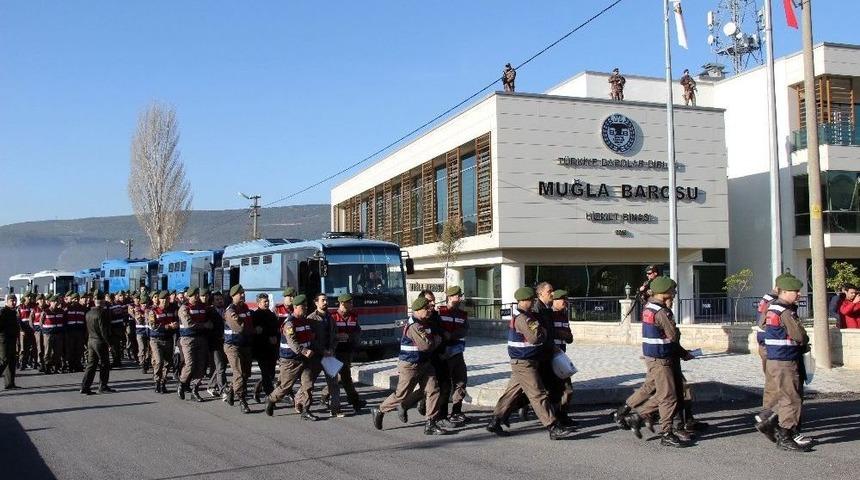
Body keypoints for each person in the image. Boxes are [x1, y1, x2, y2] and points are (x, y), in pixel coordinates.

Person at [613, 276, 690, 447]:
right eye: (672, 290)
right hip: (662, 359)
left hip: (654, 357)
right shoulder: (662, 312)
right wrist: (683, 351)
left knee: (653, 388)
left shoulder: (649, 307)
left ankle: (632, 415)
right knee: (668, 397)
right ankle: (666, 433)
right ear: (664, 292)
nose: (675, 293)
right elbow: (673, 336)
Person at [486, 286, 572, 440]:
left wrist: (541, 331)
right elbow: (535, 337)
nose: (532, 302)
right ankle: (552, 426)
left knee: (512, 393)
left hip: (525, 360)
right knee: (537, 394)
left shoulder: (525, 315)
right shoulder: (524, 318)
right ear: (522, 301)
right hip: (524, 362)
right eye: (530, 300)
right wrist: (544, 332)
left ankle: (495, 421)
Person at [371, 295, 447, 435]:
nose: (430, 310)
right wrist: (437, 340)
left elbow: (431, 340)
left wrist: (435, 339)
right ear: (418, 310)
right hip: (410, 365)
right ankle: (380, 410)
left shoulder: (425, 322)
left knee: (433, 390)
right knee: (401, 395)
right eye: (427, 308)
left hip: (425, 363)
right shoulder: (415, 325)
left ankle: (430, 423)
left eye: (430, 308)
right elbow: (426, 345)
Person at [760, 273, 812, 452]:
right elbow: (798, 335)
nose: (798, 294)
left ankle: (769, 421)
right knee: (791, 398)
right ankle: (785, 435)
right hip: (786, 359)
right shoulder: (785, 311)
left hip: (776, 358)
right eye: (795, 291)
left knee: (783, 396)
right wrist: (805, 340)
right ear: (782, 291)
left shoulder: (772, 307)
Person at [264, 294, 319, 420]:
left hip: (305, 360)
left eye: (306, 306)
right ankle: (271, 399)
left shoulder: (305, 321)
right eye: (302, 306)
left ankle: (306, 410)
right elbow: (292, 342)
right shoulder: (289, 323)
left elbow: (309, 337)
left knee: (308, 385)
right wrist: (304, 351)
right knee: (285, 386)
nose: (305, 308)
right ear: (295, 307)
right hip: (290, 360)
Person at [321, 293, 366, 412]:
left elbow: (357, 332)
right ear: (342, 303)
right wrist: (337, 336)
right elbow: (327, 334)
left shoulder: (353, 316)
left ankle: (325, 394)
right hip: (335, 351)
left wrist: (350, 337)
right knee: (344, 377)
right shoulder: (333, 317)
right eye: (349, 303)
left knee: (340, 377)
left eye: (351, 302)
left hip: (348, 351)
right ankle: (355, 401)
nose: (351, 305)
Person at [436, 286, 470, 424]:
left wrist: (452, 335)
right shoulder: (440, 312)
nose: (460, 299)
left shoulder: (462, 314)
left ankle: (456, 411)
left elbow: (465, 330)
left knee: (461, 381)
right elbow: (436, 329)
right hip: (444, 353)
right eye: (457, 296)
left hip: (458, 352)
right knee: (445, 386)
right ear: (450, 297)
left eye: (460, 296)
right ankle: (441, 415)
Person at [305, 293, 342, 417]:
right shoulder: (311, 318)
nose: (325, 302)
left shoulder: (330, 318)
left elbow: (335, 336)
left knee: (334, 383)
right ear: (316, 303)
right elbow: (311, 340)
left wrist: (332, 349)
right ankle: (300, 404)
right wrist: (322, 351)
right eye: (323, 300)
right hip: (316, 357)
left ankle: (335, 409)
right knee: (309, 383)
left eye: (326, 300)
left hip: (329, 356)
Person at [223, 284, 254, 413]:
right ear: (233, 296)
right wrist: (250, 328)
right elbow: (239, 327)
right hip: (232, 345)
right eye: (240, 294)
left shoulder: (245, 308)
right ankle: (242, 400)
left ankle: (231, 389)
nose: (242, 295)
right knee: (239, 373)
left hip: (245, 344)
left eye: (243, 293)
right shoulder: (230, 311)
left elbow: (249, 322)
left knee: (246, 373)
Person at [176, 287, 212, 401]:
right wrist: (204, 325)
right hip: (188, 339)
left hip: (201, 338)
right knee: (190, 364)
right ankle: (182, 383)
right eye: (194, 295)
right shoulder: (184, 308)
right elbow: (189, 324)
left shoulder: (203, 307)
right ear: (188, 297)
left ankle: (195, 390)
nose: (196, 297)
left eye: (197, 295)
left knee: (201, 366)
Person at [80, 291, 113, 394]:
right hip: (100, 341)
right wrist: (109, 343)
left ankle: (85, 386)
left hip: (91, 340)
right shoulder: (102, 313)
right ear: (103, 300)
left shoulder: (89, 312)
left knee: (91, 364)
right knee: (104, 363)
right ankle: (103, 386)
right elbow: (103, 330)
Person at [147, 291, 179, 394]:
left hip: (168, 339)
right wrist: (168, 326)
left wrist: (175, 324)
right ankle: (157, 381)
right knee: (159, 361)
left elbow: (176, 321)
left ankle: (163, 382)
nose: (165, 301)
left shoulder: (172, 310)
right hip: (156, 340)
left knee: (168, 363)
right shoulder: (153, 311)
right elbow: (153, 326)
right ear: (159, 300)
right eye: (163, 299)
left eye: (167, 299)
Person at [251, 293, 279, 404]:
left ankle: (257, 388)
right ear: (258, 303)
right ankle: (270, 396)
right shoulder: (256, 315)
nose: (267, 303)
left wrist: (275, 339)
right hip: (261, 348)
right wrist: (268, 337)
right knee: (266, 373)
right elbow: (257, 332)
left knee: (271, 374)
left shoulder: (272, 315)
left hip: (272, 349)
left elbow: (275, 329)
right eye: (264, 302)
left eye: (267, 301)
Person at [205, 290, 229, 399]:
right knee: (220, 366)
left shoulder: (226, 310)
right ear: (213, 302)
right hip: (215, 342)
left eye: (221, 299)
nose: (220, 301)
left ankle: (210, 386)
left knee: (221, 366)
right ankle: (223, 389)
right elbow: (209, 327)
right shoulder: (210, 312)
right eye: (217, 300)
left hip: (226, 342)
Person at [0, 295, 21, 389]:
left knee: (11, 361)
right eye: (12, 301)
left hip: (12, 339)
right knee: (3, 360)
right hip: (3, 339)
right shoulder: (3, 312)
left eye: (15, 301)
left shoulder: (13, 312)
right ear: (7, 301)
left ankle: (10, 384)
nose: (14, 302)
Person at [41, 294, 66, 374]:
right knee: (47, 351)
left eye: (57, 301)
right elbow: (41, 324)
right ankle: (47, 367)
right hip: (48, 335)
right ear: (50, 302)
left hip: (58, 334)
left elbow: (64, 322)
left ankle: (56, 367)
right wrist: (46, 331)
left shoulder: (61, 311)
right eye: (54, 301)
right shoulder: (45, 312)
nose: (56, 303)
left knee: (57, 352)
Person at [64, 293, 87, 372]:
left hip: (80, 332)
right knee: (71, 349)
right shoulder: (67, 308)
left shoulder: (82, 309)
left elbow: (85, 321)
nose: (76, 301)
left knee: (79, 349)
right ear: (72, 300)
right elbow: (64, 321)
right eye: (74, 299)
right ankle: (71, 366)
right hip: (70, 332)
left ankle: (78, 365)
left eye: (77, 299)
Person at [131, 294, 151, 373]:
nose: (144, 305)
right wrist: (145, 315)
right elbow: (139, 320)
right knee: (142, 348)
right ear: (140, 304)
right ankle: (142, 363)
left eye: (146, 303)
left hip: (148, 332)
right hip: (140, 332)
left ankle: (146, 361)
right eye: (143, 304)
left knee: (148, 349)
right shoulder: (137, 310)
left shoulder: (150, 310)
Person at [18, 294, 37, 370]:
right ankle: (22, 363)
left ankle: (33, 362)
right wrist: (21, 330)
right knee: (23, 348)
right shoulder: (20, 307)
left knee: (33, 347)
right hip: (23, 330)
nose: (29, 298)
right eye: (28, 296)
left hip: (32, 330)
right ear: (24, 297)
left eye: (30, 296)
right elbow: (18, 320)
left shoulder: (34, 306)